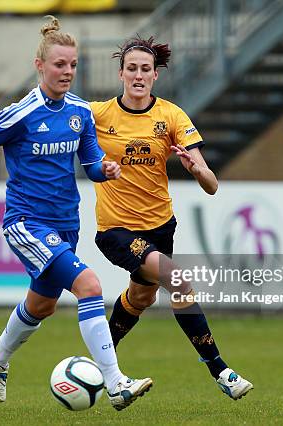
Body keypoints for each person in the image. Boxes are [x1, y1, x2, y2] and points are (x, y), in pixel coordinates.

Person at [0, 16, 152, 411]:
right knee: (89, 285)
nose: (67, 72)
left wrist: (107, 169)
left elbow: (92, 162)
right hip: (26, 223)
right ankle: (116, 383)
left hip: (67, 223)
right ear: (40, 66)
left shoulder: (81, 113)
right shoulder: (20, 114)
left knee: (43, 304)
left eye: (72, 65)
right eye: (59, 64)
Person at [89, 35, 253, 400]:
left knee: (141, 297)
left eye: (145, 69)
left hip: (161, 226)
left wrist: (197, 170)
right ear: (120, 74)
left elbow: (212, 185)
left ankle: (98, 362)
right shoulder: (97, 114)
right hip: (116, 228)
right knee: (178, 281)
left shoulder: (171, 115)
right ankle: (220, 370)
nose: (138, 75)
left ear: (154, 76)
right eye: (131, 68)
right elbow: (58, 119)